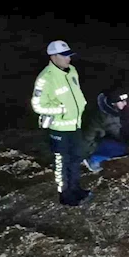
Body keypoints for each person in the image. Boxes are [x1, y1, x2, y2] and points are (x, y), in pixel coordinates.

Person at [30, 40, 90, 206]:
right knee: (61, 163)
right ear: (53, 57)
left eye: (69, 55)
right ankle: (65, 195)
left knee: (75, 159)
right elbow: (37, 105)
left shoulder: (72, 71)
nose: (68, 59)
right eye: (64, 56)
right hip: (60, 129)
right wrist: (62, 109)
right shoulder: (46, 78)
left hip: (75, 126)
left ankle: (75, 188)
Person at [81, 89, 129, 172]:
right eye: (122, 101)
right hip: (87, 146)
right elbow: (119, 135)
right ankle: (93, 159)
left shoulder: (108, 110)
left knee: (121, 146)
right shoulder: (106, 116)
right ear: (113, 102)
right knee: (122, 148)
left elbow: (121, 127)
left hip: (89, 141)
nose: (125, 103)